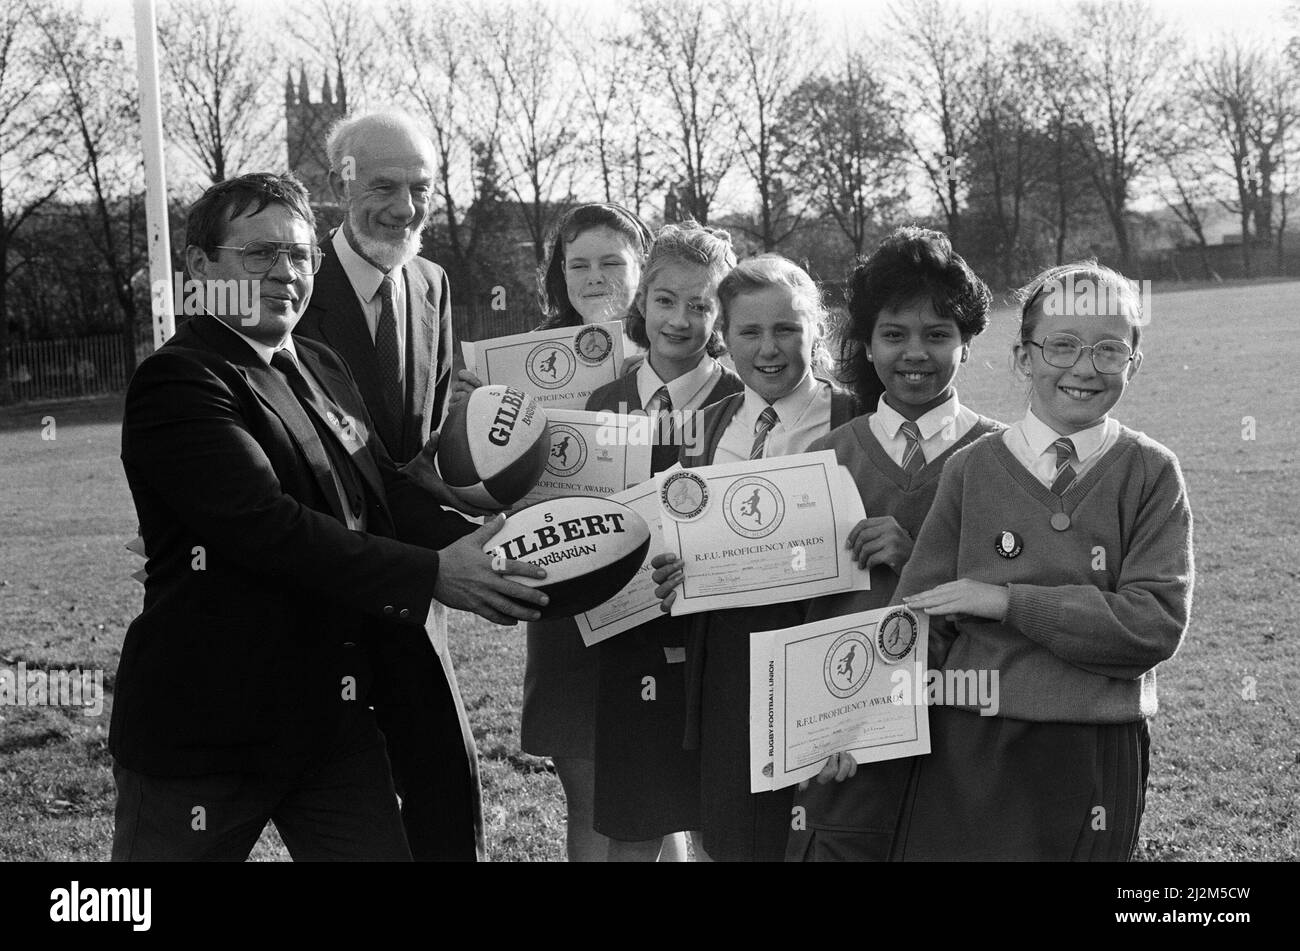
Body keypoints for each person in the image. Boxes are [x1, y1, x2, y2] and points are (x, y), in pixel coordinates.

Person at [110, 172, 548, 861]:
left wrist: (494, 551)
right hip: (208, 732)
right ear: (200, 267)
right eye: (260, 254)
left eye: (300, 255)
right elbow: (269, 528)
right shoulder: (182, 380)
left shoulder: (316, 361)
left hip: (330, 726)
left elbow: (383, 492)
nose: (286, 273)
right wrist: (434, 573)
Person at [878, 261, 1194, 860]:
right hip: (970, 737)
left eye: (1108, 350)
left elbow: (1153, 625)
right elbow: (913, 622)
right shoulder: (970, 469)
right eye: (1062, 345)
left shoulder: (1151, 472)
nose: (1083, 367)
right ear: (1024, 358)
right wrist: (860, 723)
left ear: (1134, 364)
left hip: (1095, 745)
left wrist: (1008, 602)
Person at [295, 111, 482, 861]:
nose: (404, 208)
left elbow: (416, 449)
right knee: (338, 801)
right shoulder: (292, 284)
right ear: (340, 184)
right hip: (319, 586)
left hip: (414, 584)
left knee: (446, 776)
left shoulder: (432, 284)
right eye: (382, 185)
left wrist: (470, 497)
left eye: (420, 188)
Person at [783, 227, 1003, 862]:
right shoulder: (825, 458)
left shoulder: (1004, 457)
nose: (916, 353)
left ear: (966, 343)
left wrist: (919, 560)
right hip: (848, 734)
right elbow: (796, 609)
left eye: (938, 335)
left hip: (962, 727)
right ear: (867, 344)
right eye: (894, 334)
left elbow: (1024, 593)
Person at [447, 202, 653, 861]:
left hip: (659, 591)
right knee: (589, 796)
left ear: (642, 268)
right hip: (565, 587)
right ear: (558, 274)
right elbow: (492, 495)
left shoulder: (678, 350)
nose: (594, 277)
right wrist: (470, 422)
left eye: (612, 261)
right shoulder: (521, 365)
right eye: (578, 263)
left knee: (657, 800)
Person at [651, 255, 858, 861]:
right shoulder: (705, 429)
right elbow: (681, 540)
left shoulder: (856, 420)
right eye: (750, 332)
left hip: (829, 654)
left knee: (828, 834)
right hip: (731, 664)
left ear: (815, 332)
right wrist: (676, 572)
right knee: (739, 840)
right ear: (724, 338)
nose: (769, 349)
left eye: (787, 329)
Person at [585, 222, 743, 862]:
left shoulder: (744, 404)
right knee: (636, 823)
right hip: (629, 645)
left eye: (701, 304)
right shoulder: (603, 402)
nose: (680, 319)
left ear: (721, 315)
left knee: (721, 826)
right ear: (641, 301)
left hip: (720, 647)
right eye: (665, 300)